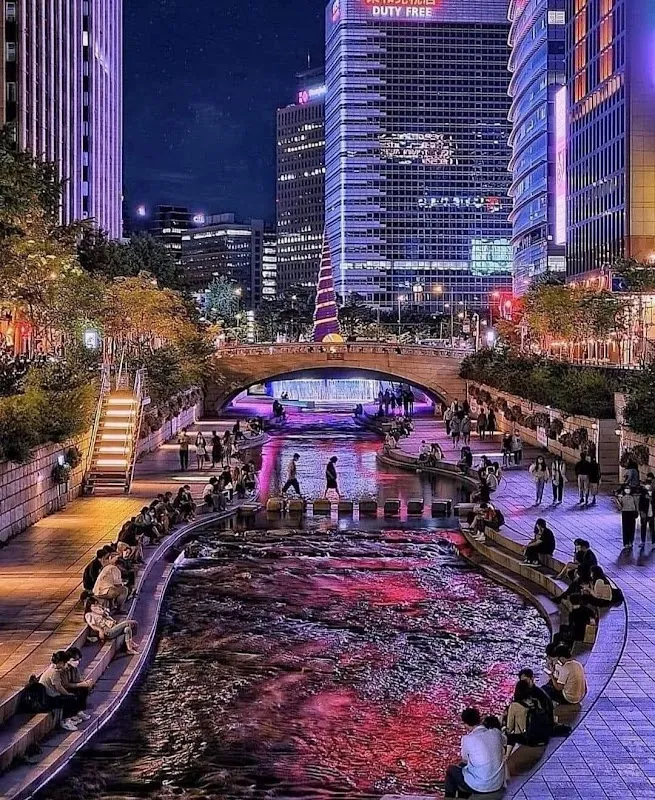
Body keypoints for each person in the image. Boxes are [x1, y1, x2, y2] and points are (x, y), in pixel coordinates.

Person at [443, 707, 506, 799]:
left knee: (451, 770)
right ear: (479, 719)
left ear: (465, 724)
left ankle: (449, 798)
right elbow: (504, 741)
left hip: (481, 786)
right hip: (497, 783)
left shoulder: (467, 738)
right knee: (464, 769)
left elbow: (465, 759)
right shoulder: (496, 733)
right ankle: (464, 796)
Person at [39, 651, 88, 732]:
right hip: (50, 698)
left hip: (53, 694)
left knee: (72, 696)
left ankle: (72, 717)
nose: (65, 665)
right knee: (69, 699)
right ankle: (65, 721)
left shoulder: (55, 669)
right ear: (60, 662)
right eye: (64, 663)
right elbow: (59, 687)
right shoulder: (54, 672)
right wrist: (68, 694)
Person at [62, 648, 93, 713]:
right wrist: (82, 684)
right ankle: (74, 713)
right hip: (63, 689)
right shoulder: (63, 669)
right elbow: (66, 685)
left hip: (71, 686)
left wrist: (86, 683)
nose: (77, 662)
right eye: (74, 660)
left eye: (78, 659)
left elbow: (78, 679)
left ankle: (80, 710)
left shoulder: (74, 668)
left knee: (84, 688)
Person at [638, 474, 655, 546]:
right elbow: (640, 503)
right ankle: (643, 541)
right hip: (644, 512)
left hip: (652, 512)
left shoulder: (654, 493)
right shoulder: (643, 493)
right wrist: (641, 512)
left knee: (652, 527)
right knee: (643, 526)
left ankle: (653, 541)